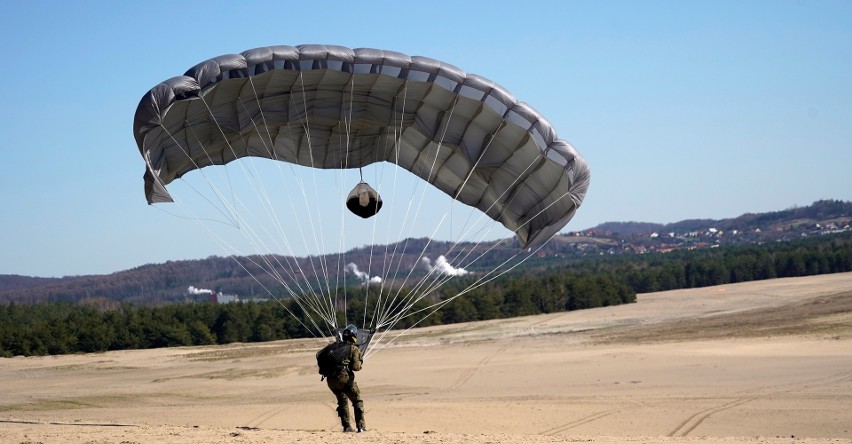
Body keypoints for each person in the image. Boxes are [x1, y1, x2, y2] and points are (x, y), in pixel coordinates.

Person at [318, 324, 367, 432]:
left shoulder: (332, 347)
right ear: (354, 336)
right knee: (357, 400)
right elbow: (356, 367)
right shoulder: (353, 349)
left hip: (331, 380)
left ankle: (347, 426)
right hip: (344, 380)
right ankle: (361, 427)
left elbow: (319, 355)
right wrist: (360, 361)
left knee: (342, 400)